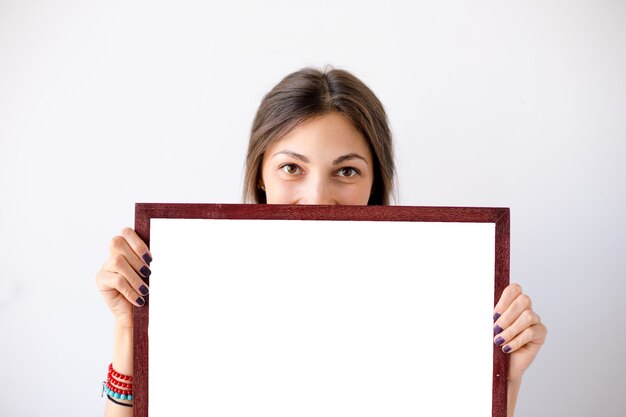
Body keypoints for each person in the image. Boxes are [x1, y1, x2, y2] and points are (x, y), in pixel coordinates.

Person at [96, 66, 547, 417]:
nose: (317, 198)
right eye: (292, 168)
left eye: (346, 171)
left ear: (375, 185)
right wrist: (128, 329)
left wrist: (502, 381)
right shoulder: (197, 293)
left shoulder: (430, 304)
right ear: (260, 178)